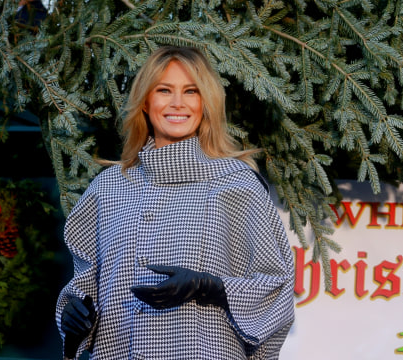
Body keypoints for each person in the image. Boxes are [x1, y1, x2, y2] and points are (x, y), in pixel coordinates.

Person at [55, 46, 295, 359]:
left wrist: (210, 287)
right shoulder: (109, 188)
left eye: (191, 91)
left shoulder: (237, 184)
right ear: (145, 101)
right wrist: (73, 315)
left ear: (206, 102)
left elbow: (275, 286)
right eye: (164, 90)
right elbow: (86, 286)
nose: (178, 103)